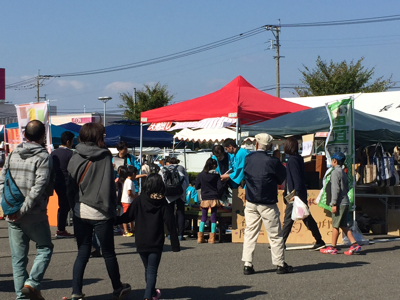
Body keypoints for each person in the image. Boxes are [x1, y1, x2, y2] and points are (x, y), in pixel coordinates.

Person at [67, 123, 131, 300]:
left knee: (82, 253)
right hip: (101, 212)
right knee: (108, 253)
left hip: (81, 210)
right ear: (97, 137)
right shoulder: (104, 156)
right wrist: (113, 207)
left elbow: (70, 185)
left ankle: (76, 292)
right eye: (102, 135)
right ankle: (117, 288)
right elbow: (109, 187)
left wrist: (74, 206)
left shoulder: (75, 156)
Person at [0, 120, 54, 300]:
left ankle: (21, 298)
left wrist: (7, 205)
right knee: (45, 247)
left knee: (18, 259)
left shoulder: (13, 153)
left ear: (24, 135)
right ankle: (32, 283)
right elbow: (38, 189)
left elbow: (2, 180)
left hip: (11, 214)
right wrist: (23, 210)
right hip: (34, 214)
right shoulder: (43, 157)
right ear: (43, 136)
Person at [116, 173, 180, 300]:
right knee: (152, 270)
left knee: (148, 268)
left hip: (141, 240)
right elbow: (170, 223)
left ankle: (151, 292)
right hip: (156, 240)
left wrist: (113, 220)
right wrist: (175, 244)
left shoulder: (140, 199)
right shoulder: (163, 202)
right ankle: (147, 296)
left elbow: (128, 216)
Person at [242, 133, 293, 275]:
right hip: (267, 202)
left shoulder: (248, 158)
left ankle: (247, 264)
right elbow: (281, 178)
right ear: (269, 145)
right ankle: (280, 264)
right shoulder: (273, 161)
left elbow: (244, 174)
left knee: (250, 233)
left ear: (256, 143)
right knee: (275, 234)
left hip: (251, 200)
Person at [281, 137, 325, 250]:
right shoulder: (298, 158)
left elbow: (296, 179)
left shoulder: (292, 160)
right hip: (299, 193)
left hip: (295, 194)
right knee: (306, 217)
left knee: (289, 219)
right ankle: (319, 240)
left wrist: (294, 194)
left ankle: (280, 243)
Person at [320, 152, 361, 255]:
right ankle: (355, 245)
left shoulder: (334, 173)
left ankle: (333, 247)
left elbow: (335, 189)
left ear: (334, 161)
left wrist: (334, 204)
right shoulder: (343, 172)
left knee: (335, 225)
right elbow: (346, 188)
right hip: (345, 201)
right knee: (343, 225)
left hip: (339, 202)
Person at [51, 130, 75, 238]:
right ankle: (61, 229)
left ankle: (61, 228)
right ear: (68, 141)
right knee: (68, 206)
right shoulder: (70, 154)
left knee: (62, 205)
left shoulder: (53, 153)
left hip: (56, 182)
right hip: (67, 183)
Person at [195, 158, 224, 244]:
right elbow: (220, 187)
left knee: (203, 217)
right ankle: (212, 238)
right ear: (214, 166)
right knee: (213, 217)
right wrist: (218, 194)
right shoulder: (216, 175)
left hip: (205, 197)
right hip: (214, 197)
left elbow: (197, 186)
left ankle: (200, 237)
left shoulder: (201, 175)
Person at [160, 157, 189, 240]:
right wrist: (183, 190)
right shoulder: (181, 168)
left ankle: (170, 233)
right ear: (177, 162)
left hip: (168, 193)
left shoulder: (164, 169)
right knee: (180, 212)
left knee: (170, 213)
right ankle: (180, 234)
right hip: (180, 192)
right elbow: (186, 181)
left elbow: (161, 181)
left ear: (169, 162)